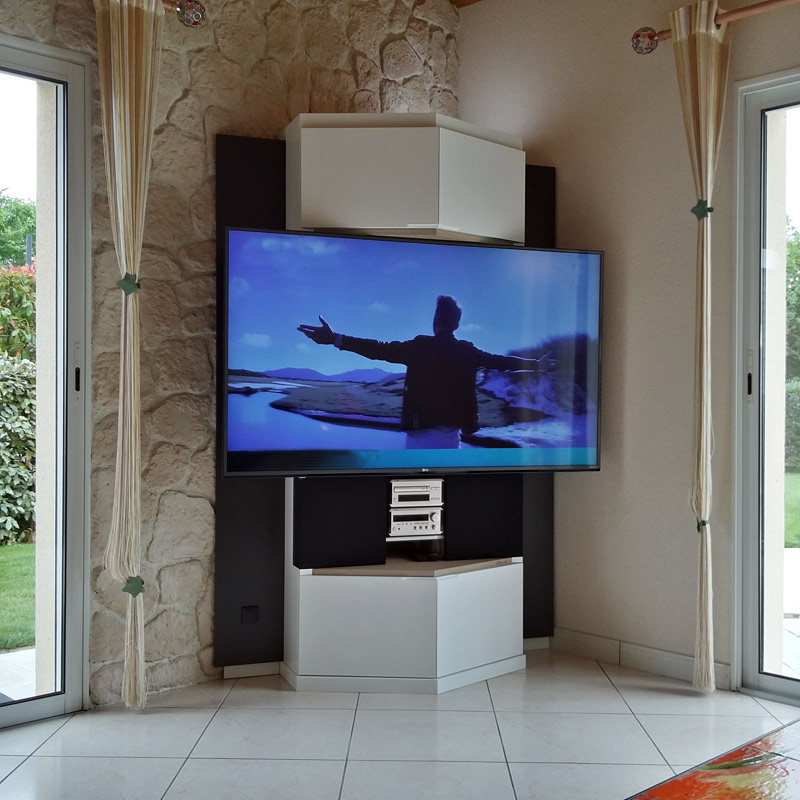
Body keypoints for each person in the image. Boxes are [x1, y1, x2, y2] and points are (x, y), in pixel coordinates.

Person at [298, 295, 549, 448]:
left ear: (434, 321)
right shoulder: (467, 352)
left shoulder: (419, 347)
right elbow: (502, 361)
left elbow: (379, 349)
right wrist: (536, 364)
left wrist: (336, 339)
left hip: (418, 441)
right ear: (457, 324)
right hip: (452, 442)